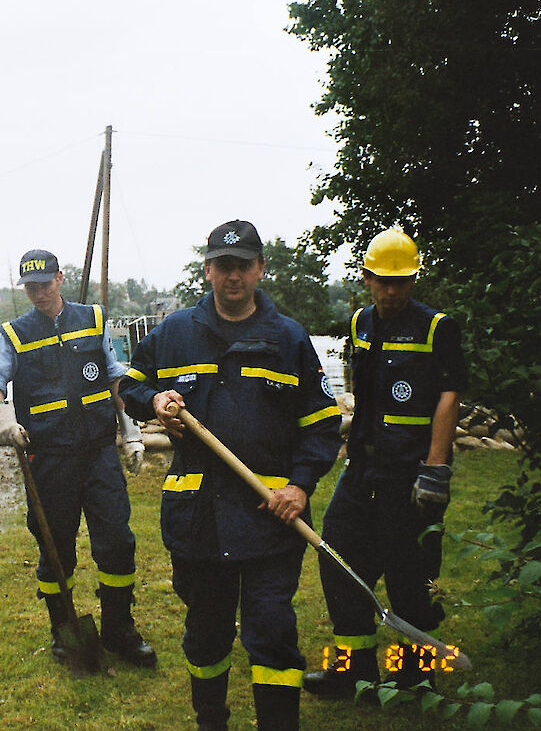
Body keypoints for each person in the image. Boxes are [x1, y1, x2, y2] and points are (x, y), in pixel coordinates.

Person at [120, 220, 342, 731]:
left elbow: (322, 424)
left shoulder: (288, 340)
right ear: (209, 270)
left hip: (271, 516)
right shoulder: (175, 332)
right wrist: (154, 399)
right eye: (224, 266)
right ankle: (210, 721)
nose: (233, 276)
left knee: (272, 631)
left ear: (260, 269)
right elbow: (131, 383)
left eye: (243, 265)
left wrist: (300, 486)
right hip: (198, 520)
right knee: (206, 632)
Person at [303, 227, 466, 697]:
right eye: (383, 281)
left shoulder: (437, 328)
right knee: (338, 556)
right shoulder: (360, 324)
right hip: (363, 470)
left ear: (414, 280)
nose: (391, 291)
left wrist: (436, 469)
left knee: (409, 575)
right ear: (368, 278)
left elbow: (449, 395)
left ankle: (416, 676)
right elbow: (365, 395)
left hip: (412, 473)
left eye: (401, 281)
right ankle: (353, 668)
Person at [0, 249, 156, 668]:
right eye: (30, 287)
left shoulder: (93, 320)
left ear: (60, 278)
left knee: (117, 542)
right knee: (55, 549)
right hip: (49, 459)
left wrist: (130, 432)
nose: (38, 293)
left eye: (44, 283)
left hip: (98, 454)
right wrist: (0, 416)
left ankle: (119, 630)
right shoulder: (14, 333)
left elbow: (114, 377)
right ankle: (64, 632)